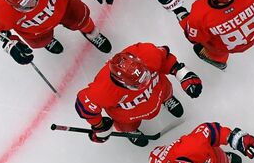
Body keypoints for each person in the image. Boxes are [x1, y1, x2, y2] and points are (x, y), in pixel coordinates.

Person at [74, 43, 202, 143]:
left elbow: (164, 58)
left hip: (159, 90)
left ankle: (167, 100)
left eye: (145, 76)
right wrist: (99, 126)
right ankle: (131, 131)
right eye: (138, 85)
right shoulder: (102, 90)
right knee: (127, 126)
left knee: (166, 92)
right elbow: (85, 107)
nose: (145, 84)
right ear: (121, 83)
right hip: (128, 116)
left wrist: (181, 73)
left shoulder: (146, 53)